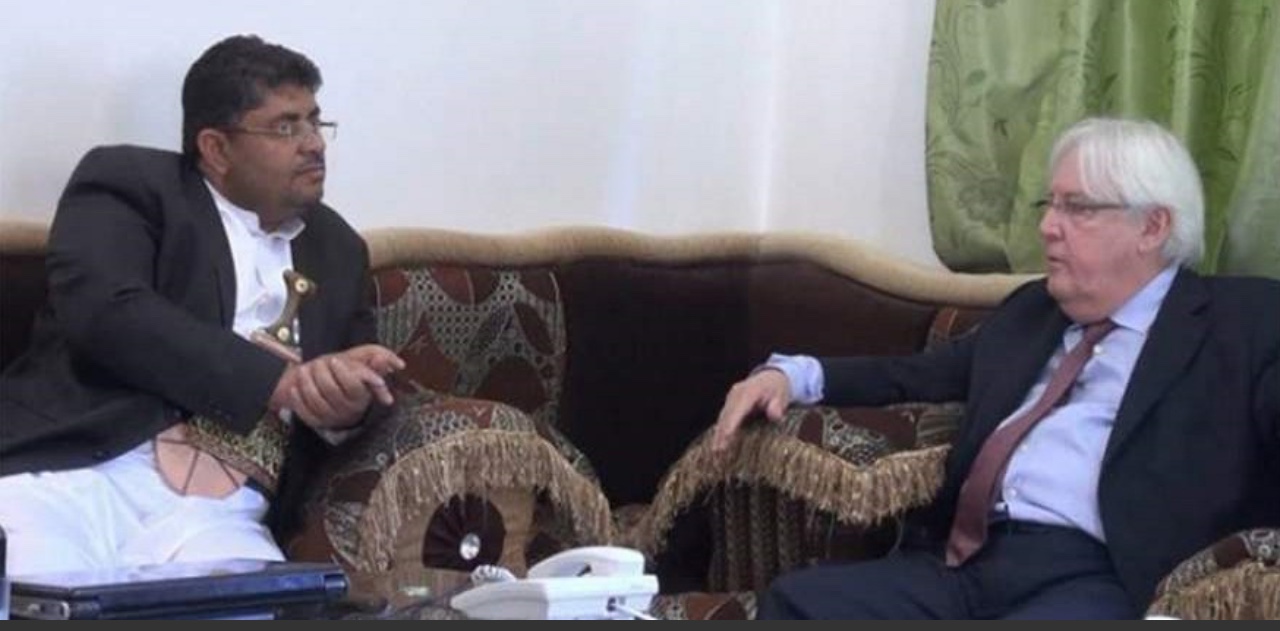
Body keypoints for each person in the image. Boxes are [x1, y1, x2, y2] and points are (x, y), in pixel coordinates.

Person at [710, 117, 1280, 619]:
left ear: (1152, 227)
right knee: (800, 603)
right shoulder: (1030, 313)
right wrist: (790, 375)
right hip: (970, 560)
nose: (1048, 226)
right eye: (1049, 205)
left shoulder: (1244, 324)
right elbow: (914, 375)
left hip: (1104, 577)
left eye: (1078, 208)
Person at [0, 34, 405, 576]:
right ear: (216, 148)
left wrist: (347, 400)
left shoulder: (337, 248)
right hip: (74, 477)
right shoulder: (133, 186)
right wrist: (277, 382)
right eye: (286, 127)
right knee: (35, 592)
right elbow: (108, 313)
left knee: (257, 604)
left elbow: (353, 379)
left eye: (315, 121)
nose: (314, 144)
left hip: (220, 516)